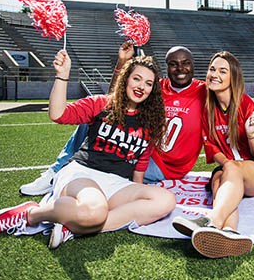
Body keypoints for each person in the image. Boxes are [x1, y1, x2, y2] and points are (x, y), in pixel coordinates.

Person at [0, 50, 176, 249]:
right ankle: (30, 214)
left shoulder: (150, 121)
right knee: (94, 211)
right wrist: (62, 75)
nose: (141, 87)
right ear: (125, 79)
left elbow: (139, 168)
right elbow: (58, 114)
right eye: (137, 79)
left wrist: (139, 193)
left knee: (165, 200)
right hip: (83, 174)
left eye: (148, 84)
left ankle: (74, 226)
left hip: (117, 184)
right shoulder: (102, 104)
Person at [19, 42, 206, 195]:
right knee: (97, 116)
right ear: (167, 67)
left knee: (111, 171)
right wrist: (122, 62)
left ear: (193, 64)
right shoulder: (154, 87)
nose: (180, 68)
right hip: (139, 149)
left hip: (163, 165)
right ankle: (57, 170)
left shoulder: (205, 92)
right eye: (173, 63)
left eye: (186, 62)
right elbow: (114, 102)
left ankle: (81, 190)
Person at [172, 51, 254, 258]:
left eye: (223, 71)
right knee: (218, 181)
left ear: (233, 78)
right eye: (212, 69)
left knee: (230, 168)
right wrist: (229, 166)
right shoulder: (207, 109)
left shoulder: (248, 105)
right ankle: (230, 232)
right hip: (230, 170)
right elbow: (213, 149)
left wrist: (250, 135)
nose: (215, 74)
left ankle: (210, 220)